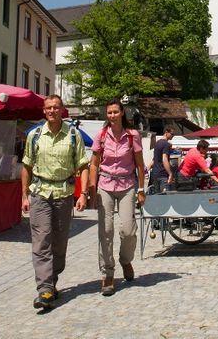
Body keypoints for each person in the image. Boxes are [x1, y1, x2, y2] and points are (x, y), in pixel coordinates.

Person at [21, 95, 88, 310]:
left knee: (59, 243)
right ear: (44, 111)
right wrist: (24, 196)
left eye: (56, 107)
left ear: (62, 110)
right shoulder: (35, 135)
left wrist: (84, 194)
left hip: (63, 194)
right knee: (41, 241)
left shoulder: (73, 135)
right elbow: (27, 166)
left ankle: (53, 280)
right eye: (49, 108)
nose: (52, 111)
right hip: (39, 193)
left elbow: (83, 166)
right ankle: (44, 289)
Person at [88, 99, 146, 297]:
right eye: (109, 112)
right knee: (106, 230)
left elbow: (140, 164)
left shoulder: (132, 136)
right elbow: (94, 164)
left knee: (128, 230)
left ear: (122, 113)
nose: (112, 115)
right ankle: (108, 274)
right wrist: (92, 188)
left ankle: (125, 259)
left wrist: (141, 189)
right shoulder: (101, 136)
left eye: (115, 112)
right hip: (105, 185)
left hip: (127, 185)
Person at [150, 126, 175, 193]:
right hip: (162, 175)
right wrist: (170, 174)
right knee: (165, 199)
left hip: (155, 174)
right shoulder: (166, 144)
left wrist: (148, 167)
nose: (173, 136)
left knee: (157, 198)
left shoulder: (157, 143)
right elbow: (164, 159)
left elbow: (154, 159)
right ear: (166, 132)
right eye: (172, 134)